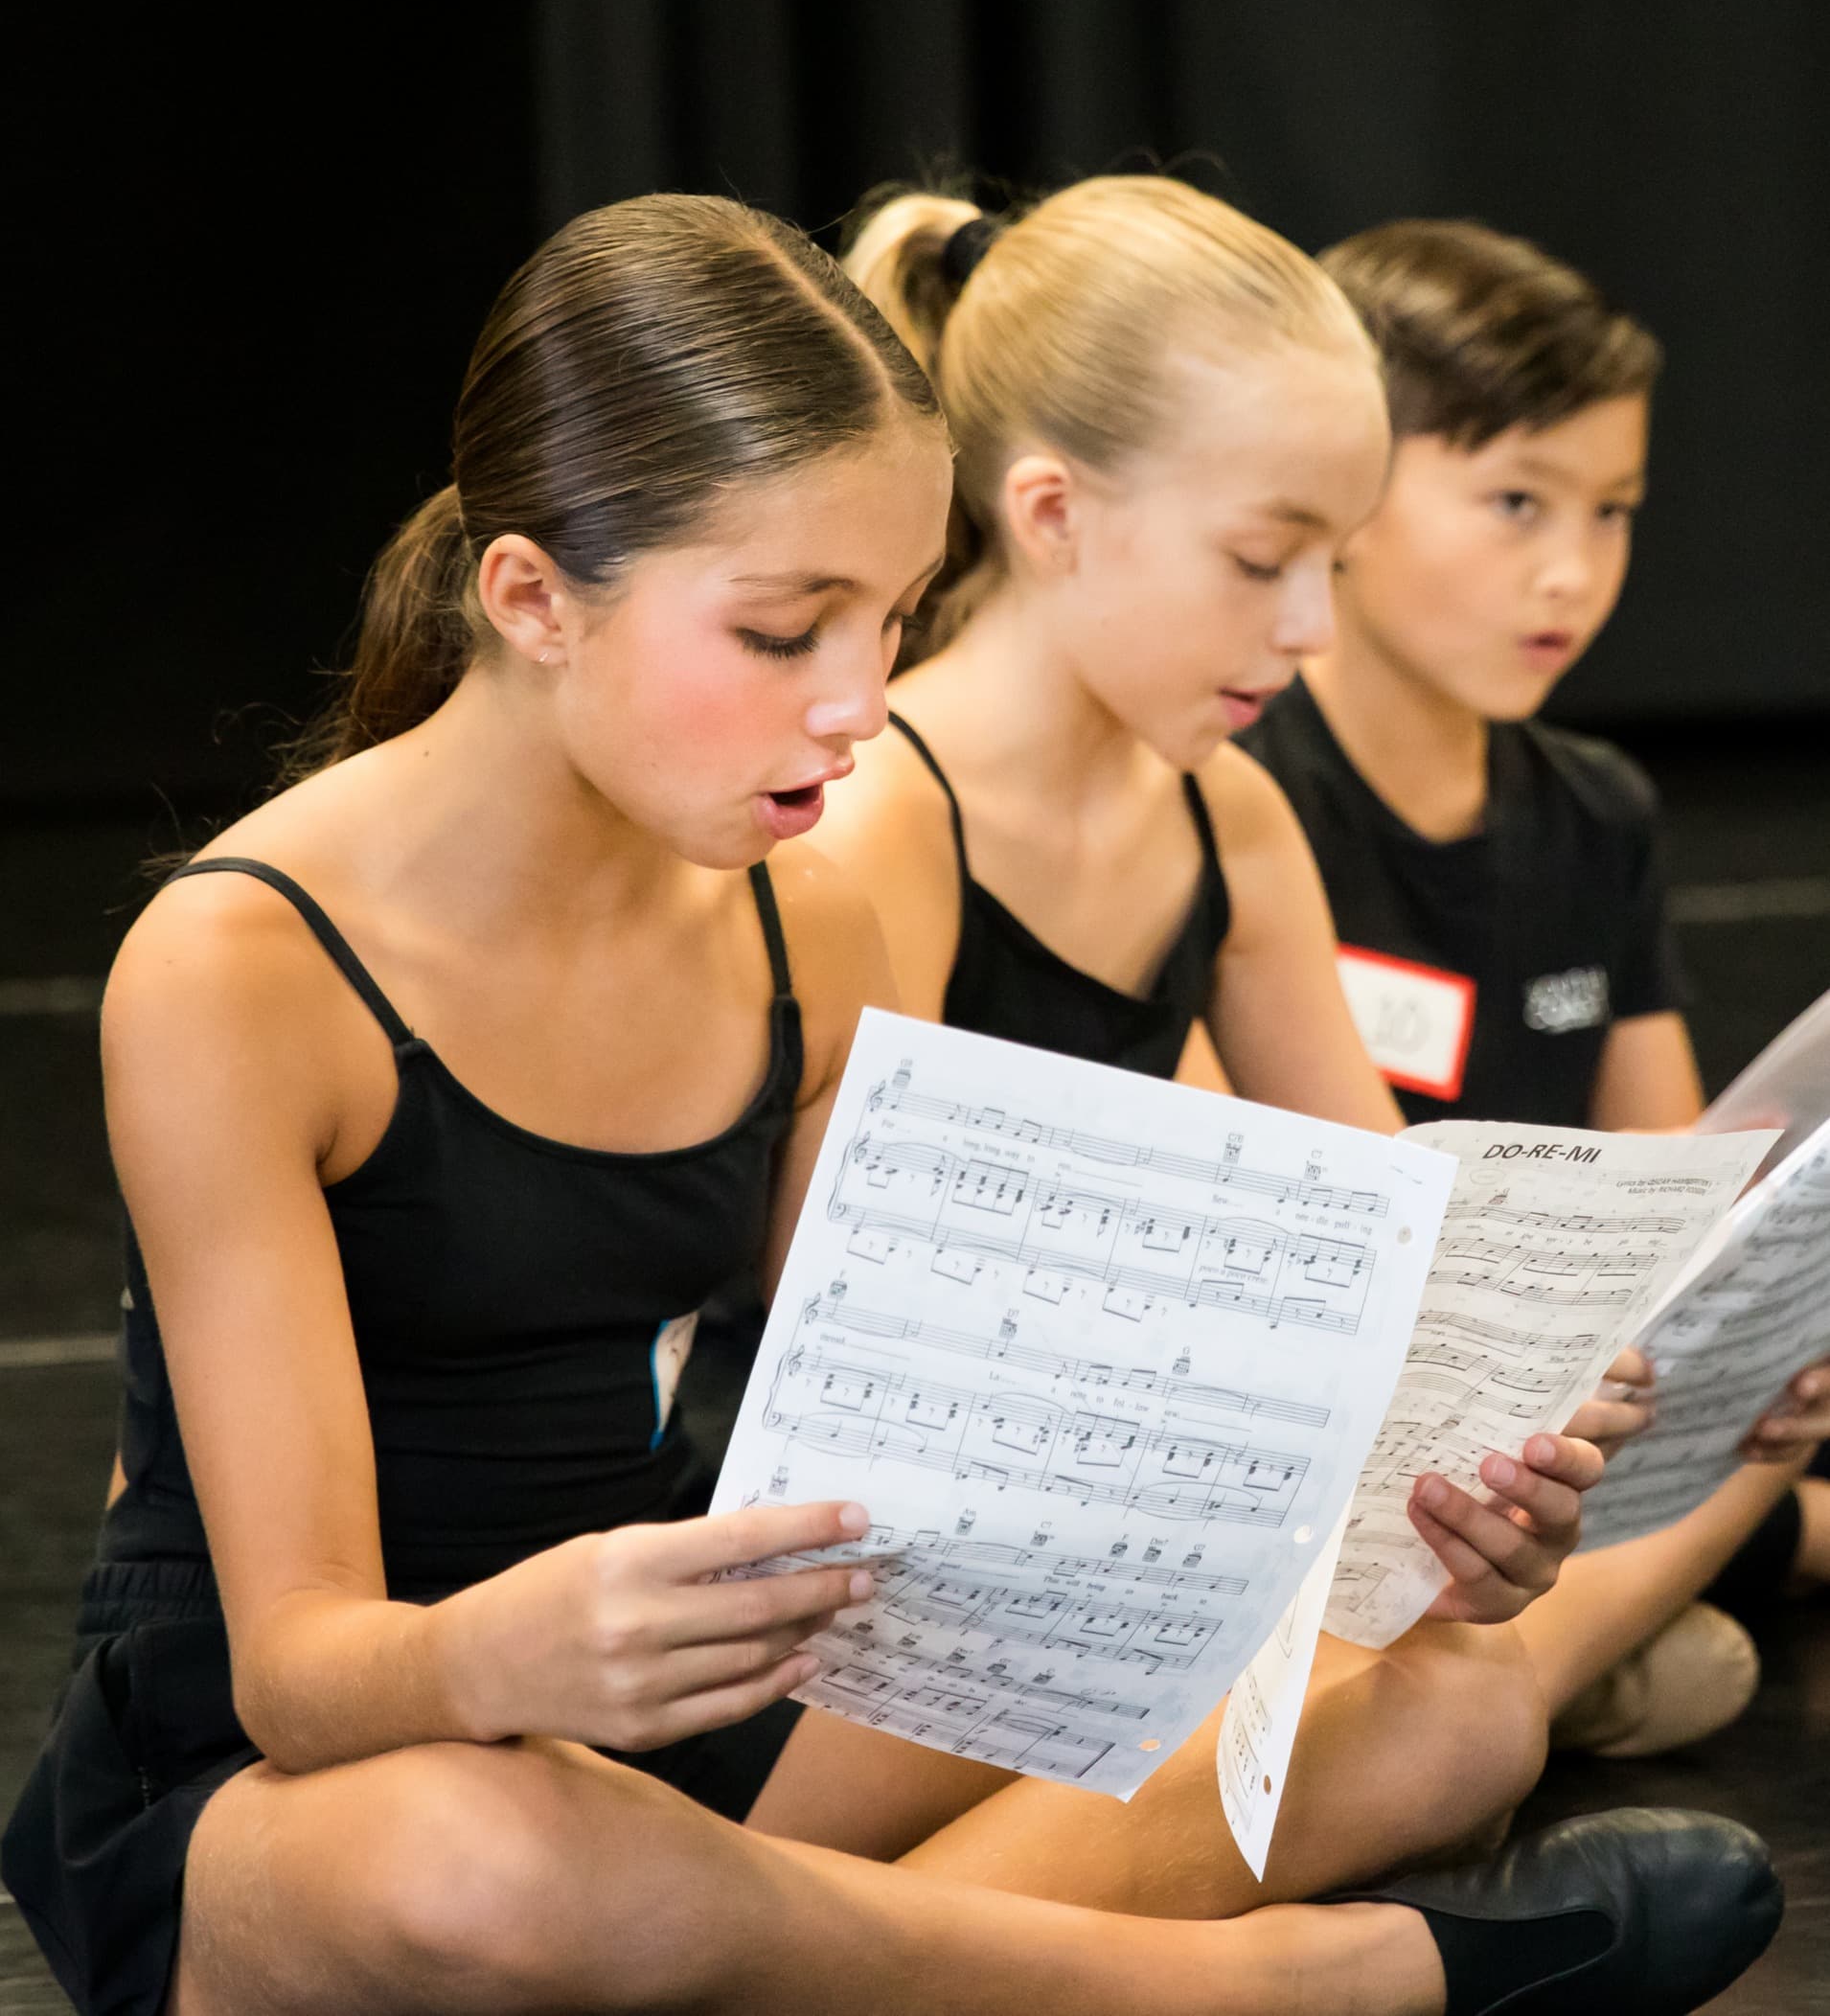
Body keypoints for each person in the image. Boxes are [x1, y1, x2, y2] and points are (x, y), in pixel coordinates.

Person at [0, 189, 1781, 2016]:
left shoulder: (803, 918)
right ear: (532, 598)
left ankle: (750, 1962)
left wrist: (1399, 1522)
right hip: (327, 1759)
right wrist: (507, 1653)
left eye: (896, 619)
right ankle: (1312, 1989)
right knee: (489, 1863)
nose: (860, 702)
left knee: (1446, 1725)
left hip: (676, 1686)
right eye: (786, 633)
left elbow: (924, 1454)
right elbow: (297, 1667)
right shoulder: (238, 961)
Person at [785, 172, 1708, 1910]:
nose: (1304, 626)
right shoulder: (876, 823)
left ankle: (842, 1948)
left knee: (1464, 1712)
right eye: (1261, 561)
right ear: (1052, 512)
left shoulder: (1225, 821)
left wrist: (1520, 1396)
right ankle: (845, 1938)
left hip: (1107, 1553)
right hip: (881, 1585)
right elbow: (843, 1345)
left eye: (1329, 567)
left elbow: (1385, 1235)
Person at [1236, 216, 1830, 1754]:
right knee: (1688, 1655)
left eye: (1613, 511)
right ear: (1344, 498)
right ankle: (1513, 1691)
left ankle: (1539, 1667)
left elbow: (1676, 1201)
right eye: (1513, 502)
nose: (1570, 571)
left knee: (1760, 1443)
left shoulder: (1595, 809)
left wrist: (1755, 1336)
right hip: (1344, 1448)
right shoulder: (1238, 794)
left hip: (1566, 1441)